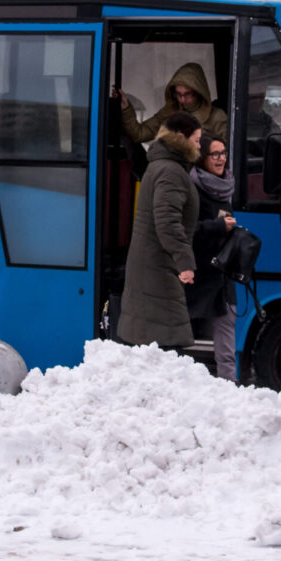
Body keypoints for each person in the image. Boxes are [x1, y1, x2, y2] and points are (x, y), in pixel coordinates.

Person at [117, 111, 203, 350]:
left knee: (151, 341)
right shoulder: (171, 171)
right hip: (159, 265)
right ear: (181, 139)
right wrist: (185, 261)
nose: (199, 145)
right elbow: (167, 221)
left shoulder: (163, 167)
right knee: (166, 338)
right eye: (196, 140)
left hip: (154, 262)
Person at [188, 133, 240, 381]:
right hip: (198, 272)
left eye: (223, 153)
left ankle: (228, 384)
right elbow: (186, 230)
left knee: (227, 326)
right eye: (214, 154)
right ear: (202, 158)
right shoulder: (192, 189)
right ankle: (180, 383)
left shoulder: (226, 185)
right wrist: (218, 226)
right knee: (186, 330)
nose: (221, 159)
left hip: (222, 272)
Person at [118, 62, 229, 144]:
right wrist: (126, 108)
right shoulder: (171, 111)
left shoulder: (217, 117)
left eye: (187, 94)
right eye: (178, 94)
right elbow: (139, 134)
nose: (182, 100)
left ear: (199, 92)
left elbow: (226, 156)